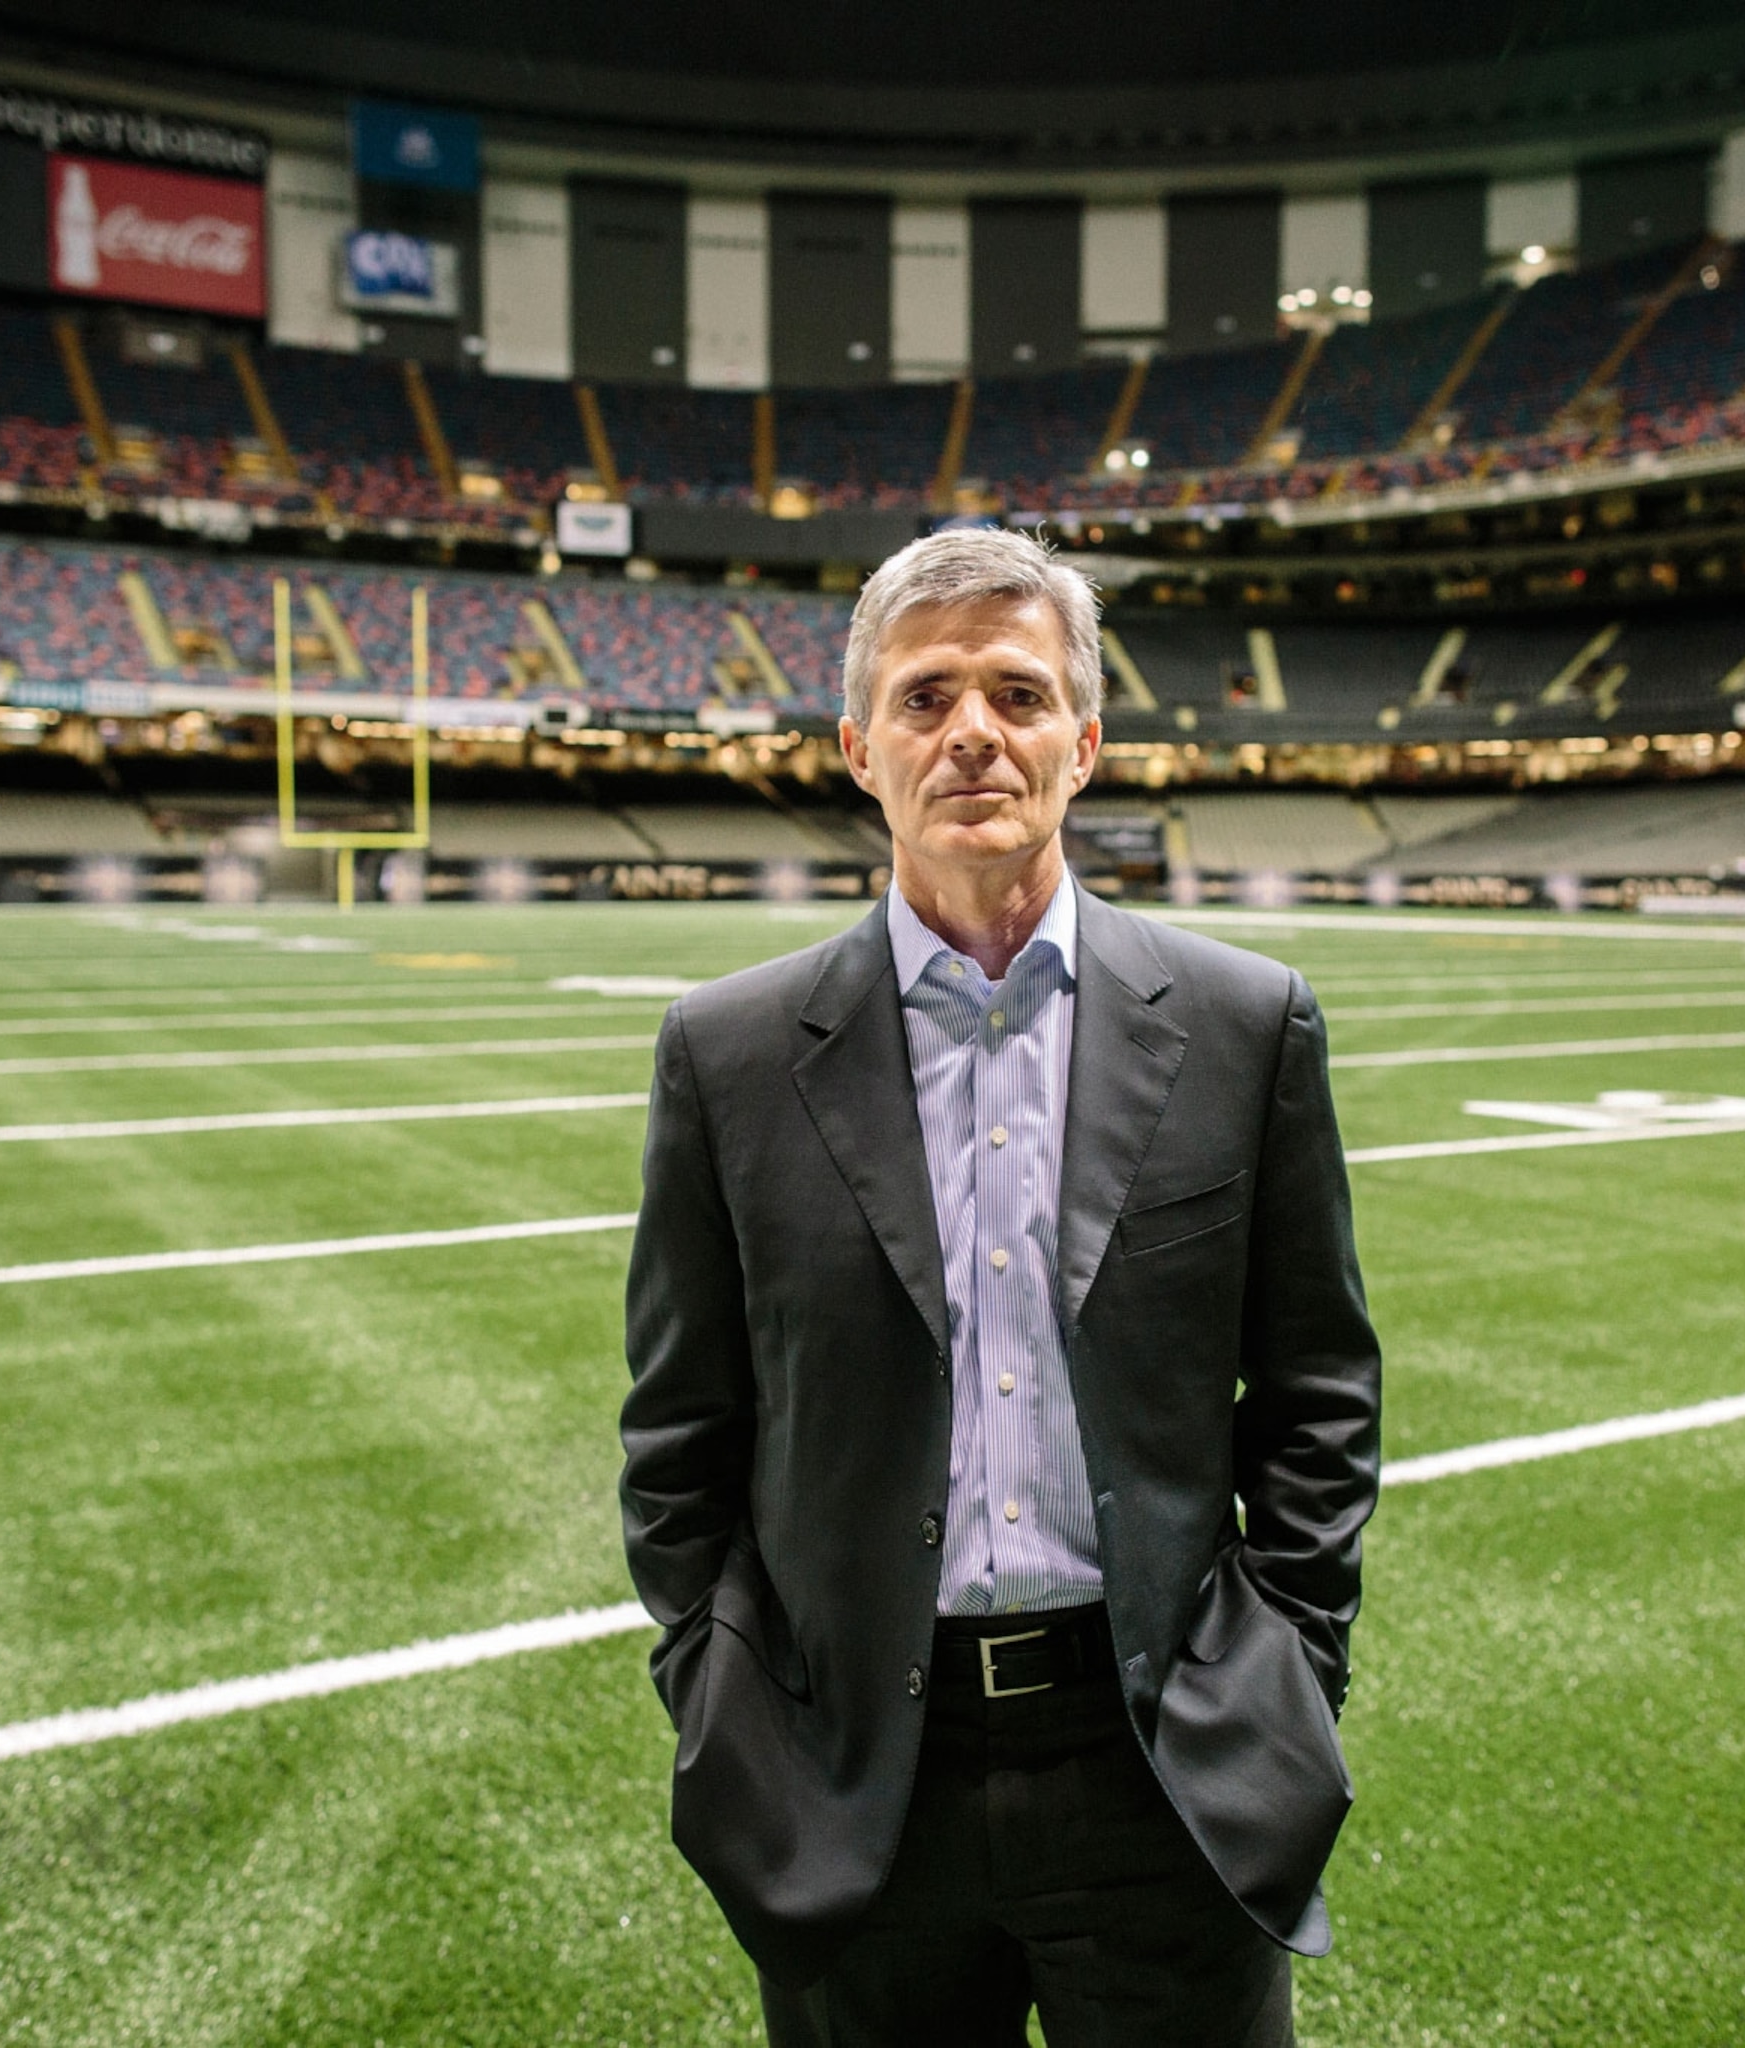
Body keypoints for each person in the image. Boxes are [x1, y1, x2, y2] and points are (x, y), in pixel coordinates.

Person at [619, 526, 1381, 2047]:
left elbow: (1318, 1392)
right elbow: (679, 1432)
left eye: (1020, 695)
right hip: (855, 1780)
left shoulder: (1247, 1025)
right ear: (861, 749)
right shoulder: (727, 1053)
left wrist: (1289, 1658)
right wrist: (726, 1696)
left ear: (1083, 744)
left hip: (1162, 1759)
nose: (973, 731)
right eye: (926, 697)